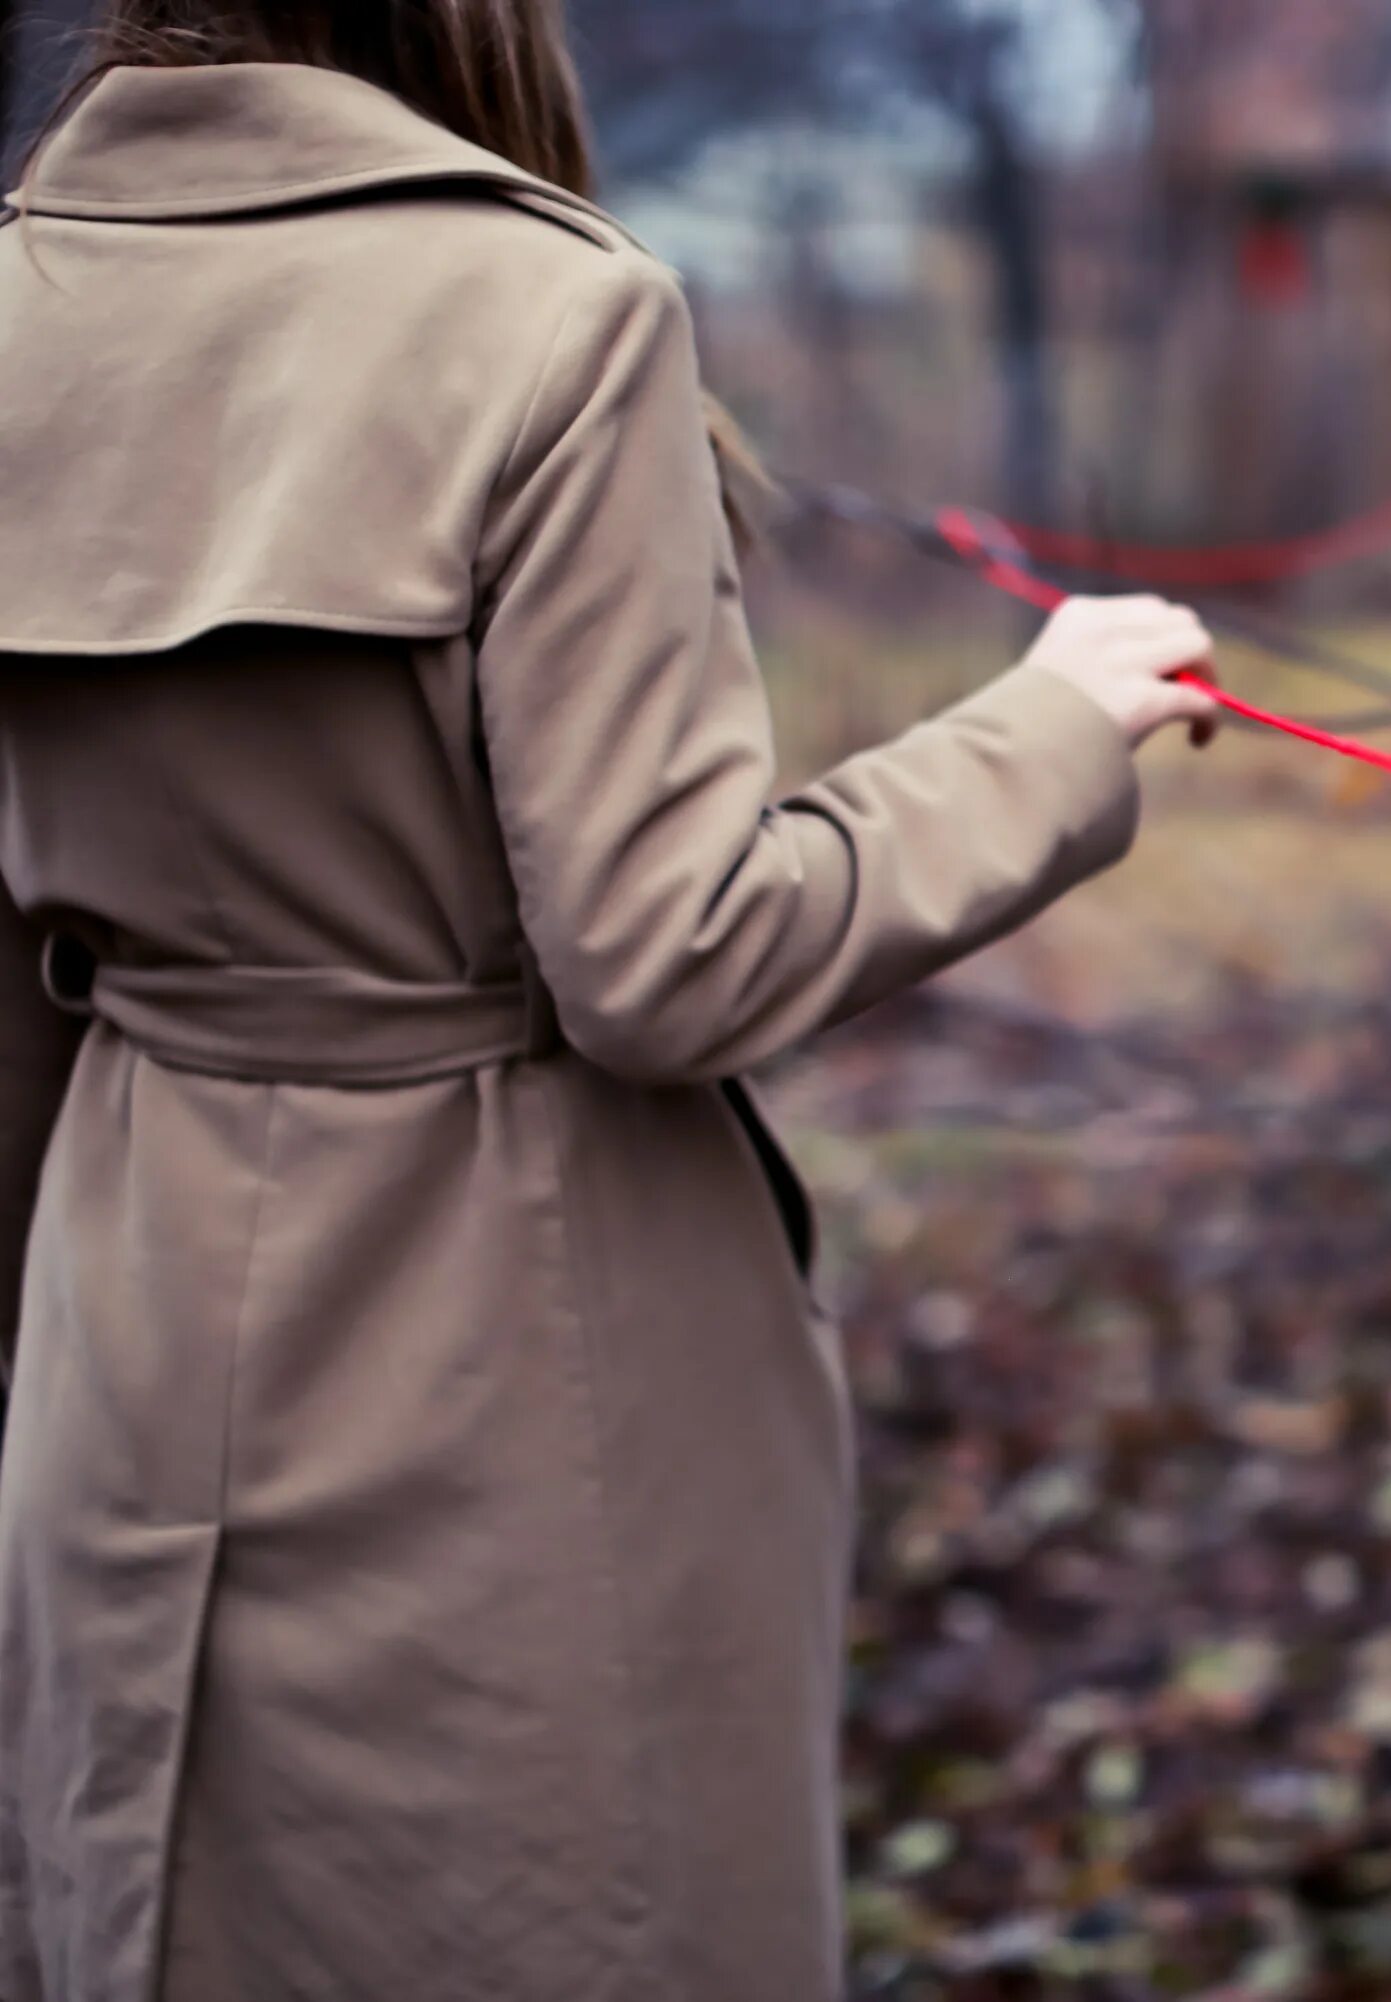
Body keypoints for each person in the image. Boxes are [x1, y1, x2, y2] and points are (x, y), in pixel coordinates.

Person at [0, 7, 1222, 1997]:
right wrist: (1053, 730)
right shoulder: (549, 316)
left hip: (114, 1350)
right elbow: (675, 949)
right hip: (508, 1371)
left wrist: (40, 1357)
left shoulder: (25, 300)